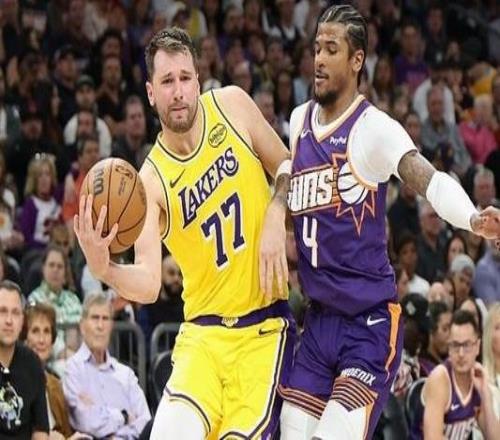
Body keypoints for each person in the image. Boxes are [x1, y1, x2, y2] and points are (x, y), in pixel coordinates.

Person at [279, 5, 500, 439]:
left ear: (357, 59)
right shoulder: (298, 120)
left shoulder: (373, 129)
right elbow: (292, 190)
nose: (319, 59)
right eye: (316, 48)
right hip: (318, 323)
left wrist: (473, 218)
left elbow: (429, 179)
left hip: (368, 325)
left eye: (331, 49)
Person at [74, 27, 294, 439]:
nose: (178, 92)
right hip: (203, 338)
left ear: (198, 79)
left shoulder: (232, 105)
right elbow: (148, 283)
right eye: (166, 81)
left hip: (264, 333)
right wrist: (105, 268)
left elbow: (286, 163)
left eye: (184, 78)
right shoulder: (149, 181)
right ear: (150, 92)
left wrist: (275, 213)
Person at [63, 292, 151, 438]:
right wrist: (124, 416)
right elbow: (86, 421)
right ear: (82, 326)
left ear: (111, 326)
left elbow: (145, 422)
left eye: (105, 319)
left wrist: (116, 436)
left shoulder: (126, 375)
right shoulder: (73, 370)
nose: (100, 326)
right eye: (95, 318)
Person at [415, 310, 500, 439]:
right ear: (449, 348)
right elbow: (432, 437)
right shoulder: (440, 379)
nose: (461, 353)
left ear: (477, 346)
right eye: (455, 345)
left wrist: (486, 394)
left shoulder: (477, 380)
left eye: (466, 345)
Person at [22, 302, 89, 440]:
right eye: (35, 331)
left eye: (47, 331)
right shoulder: (14, 382)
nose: (42, 340)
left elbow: (66, 431)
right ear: (24, 337)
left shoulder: (55, 384)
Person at [0, 280, 49, 439]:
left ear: (22, 320)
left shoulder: (32, 363)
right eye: (2, 311)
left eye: (15, 313)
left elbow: (41, 430)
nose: (9, 320)